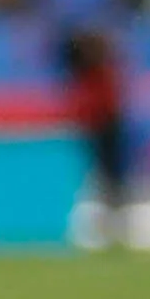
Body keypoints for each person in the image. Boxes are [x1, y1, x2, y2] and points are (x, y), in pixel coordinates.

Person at [59, 22, 133, 248]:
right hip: (96, 127)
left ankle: (111, 227)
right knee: (102, 179)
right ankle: (104, 227)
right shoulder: (90, 75)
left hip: (104, 127)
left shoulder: (99, 74)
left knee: (108, 179)